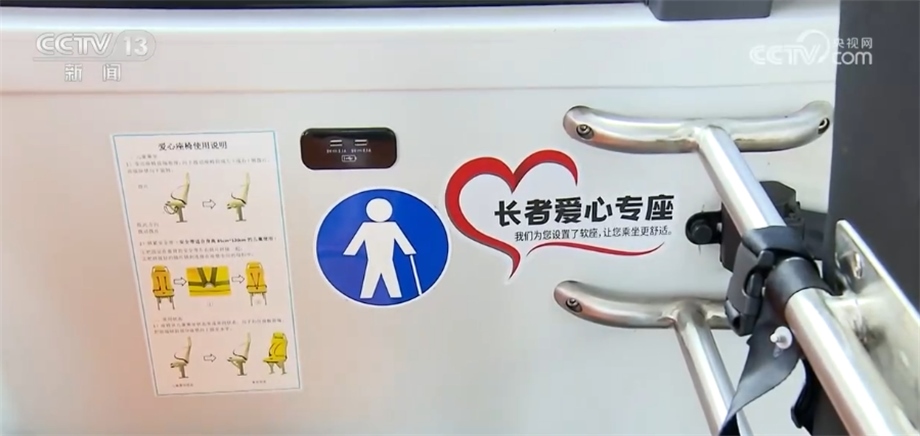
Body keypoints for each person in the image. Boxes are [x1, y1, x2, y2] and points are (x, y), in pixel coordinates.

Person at [343, 198, 417, 299]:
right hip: (373, 259)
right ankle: (369, 295)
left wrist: (408, 250)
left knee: (389, 279)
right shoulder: (367, 227)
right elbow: (357, 241)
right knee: (373, 278)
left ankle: (393, 296)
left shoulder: (391, 226)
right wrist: (351, 251)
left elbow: (401, 240)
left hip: (386, 259)